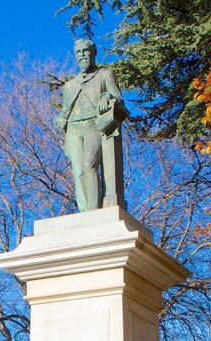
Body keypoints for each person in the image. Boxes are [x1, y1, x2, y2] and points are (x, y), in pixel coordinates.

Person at [55, 39, 129, 212]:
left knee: (90, 164)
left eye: (85, 51)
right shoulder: (70, 85)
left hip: (93, 125)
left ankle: (93, 209)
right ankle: (85, 211)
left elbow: (118, 99)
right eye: (78, 52)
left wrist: (106, 96)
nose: (82, 55)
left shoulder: (105, 75)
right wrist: (59, 120)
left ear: (93, 53)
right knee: (79, 171)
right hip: (73, 128)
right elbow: (64, 112)